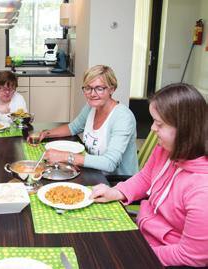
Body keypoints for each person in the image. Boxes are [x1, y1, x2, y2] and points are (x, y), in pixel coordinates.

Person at [91, 83, 208, 267]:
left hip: (165, 256)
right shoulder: (165, 150)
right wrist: (115, 192)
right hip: (143, 235)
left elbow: (190, 256)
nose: (152, 129)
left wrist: (137, 252)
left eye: (159, 124)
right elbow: (145, 178)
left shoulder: (202, 191)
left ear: (185, 129)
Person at [31, 65, 138, 175]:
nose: (92, 94)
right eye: (88, 88)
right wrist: (46, 133)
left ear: (112, 89)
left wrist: (66, 156)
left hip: (116, 183)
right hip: (93, 172)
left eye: (99, 88)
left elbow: (110, 163)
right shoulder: (91, 106)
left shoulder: (123, 118)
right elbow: (73, 128)